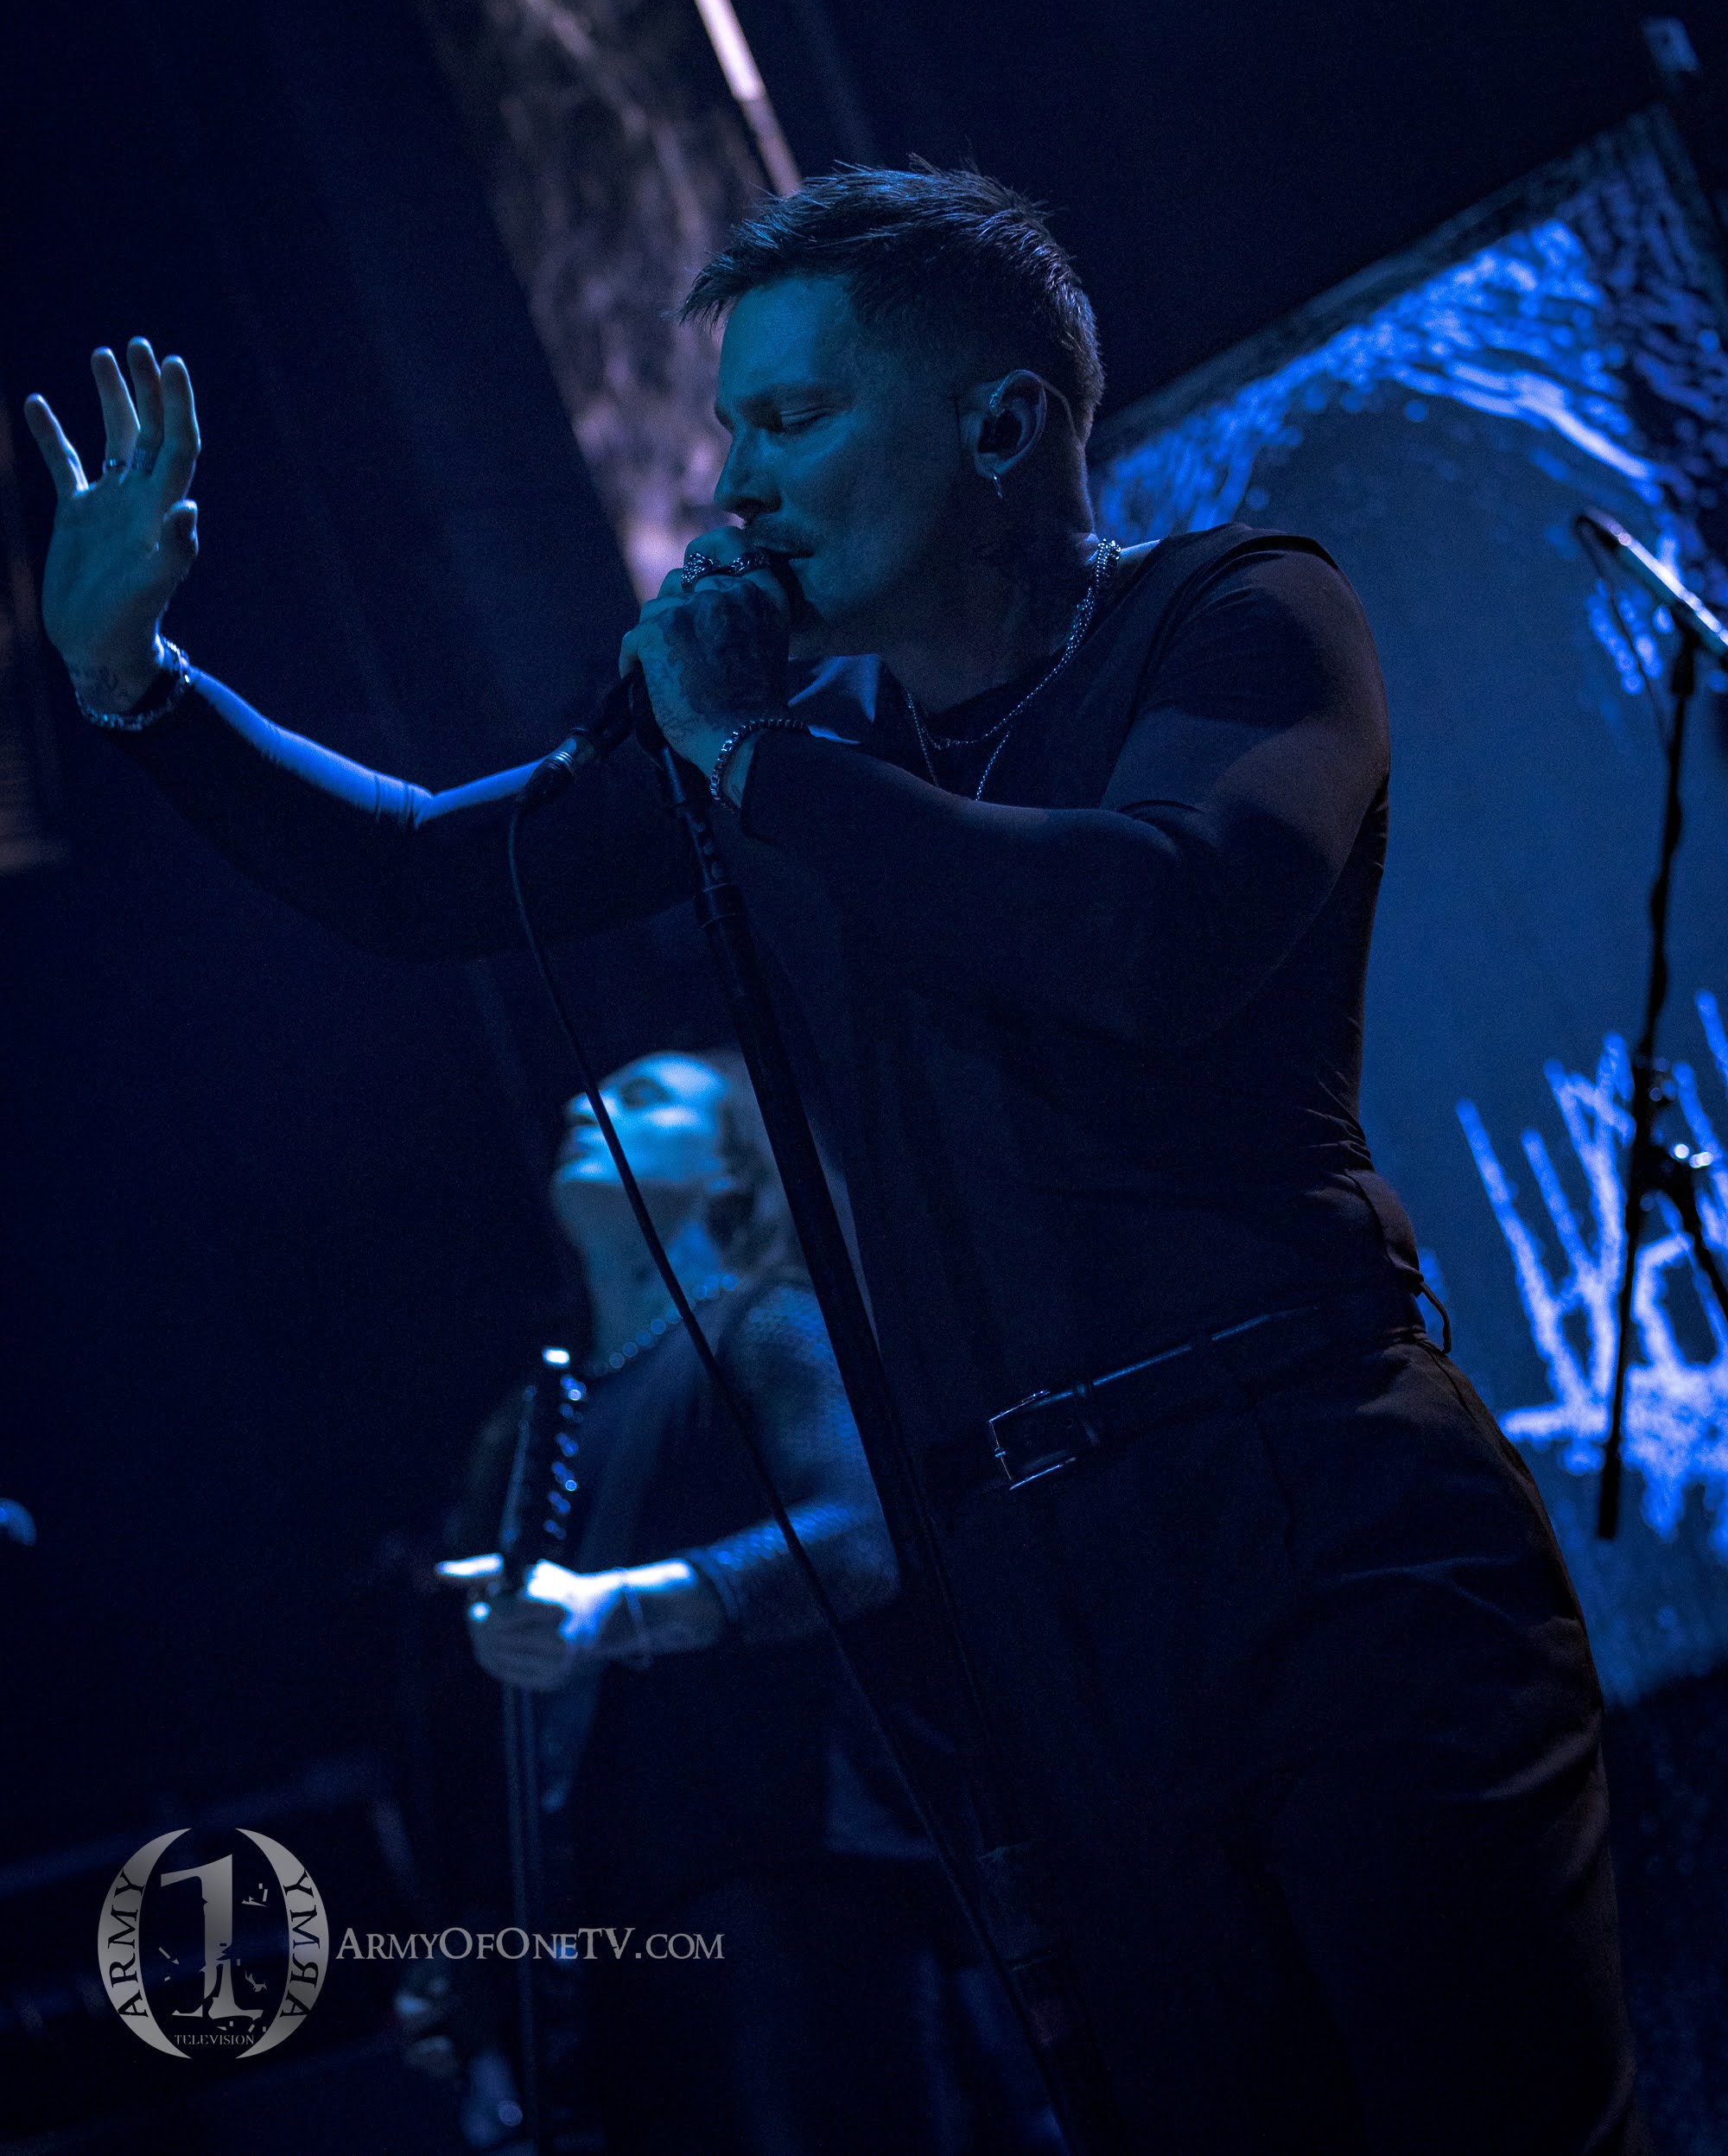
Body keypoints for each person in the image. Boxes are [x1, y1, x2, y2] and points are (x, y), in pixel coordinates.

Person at [26, 165, 1645, 2152]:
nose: (739, 489)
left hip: (1318, 1511)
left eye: (789, 418)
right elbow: (429, 871)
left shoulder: (1233, 616)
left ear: (1001, 425)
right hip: (1036, 1594)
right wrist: (141, 688)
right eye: (730, 431)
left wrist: (758, 757)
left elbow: (1149, 931)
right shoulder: (792, 754)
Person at [430, 1047, 1056, 2154]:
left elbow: (858, 1537)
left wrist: (624, 1609)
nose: (581, 1103)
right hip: (612, 1935)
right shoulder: (522, 1423)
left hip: (798, 1876)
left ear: (731, 1167)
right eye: (588, 1094)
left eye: (642, 1096)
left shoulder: (769, 1323)